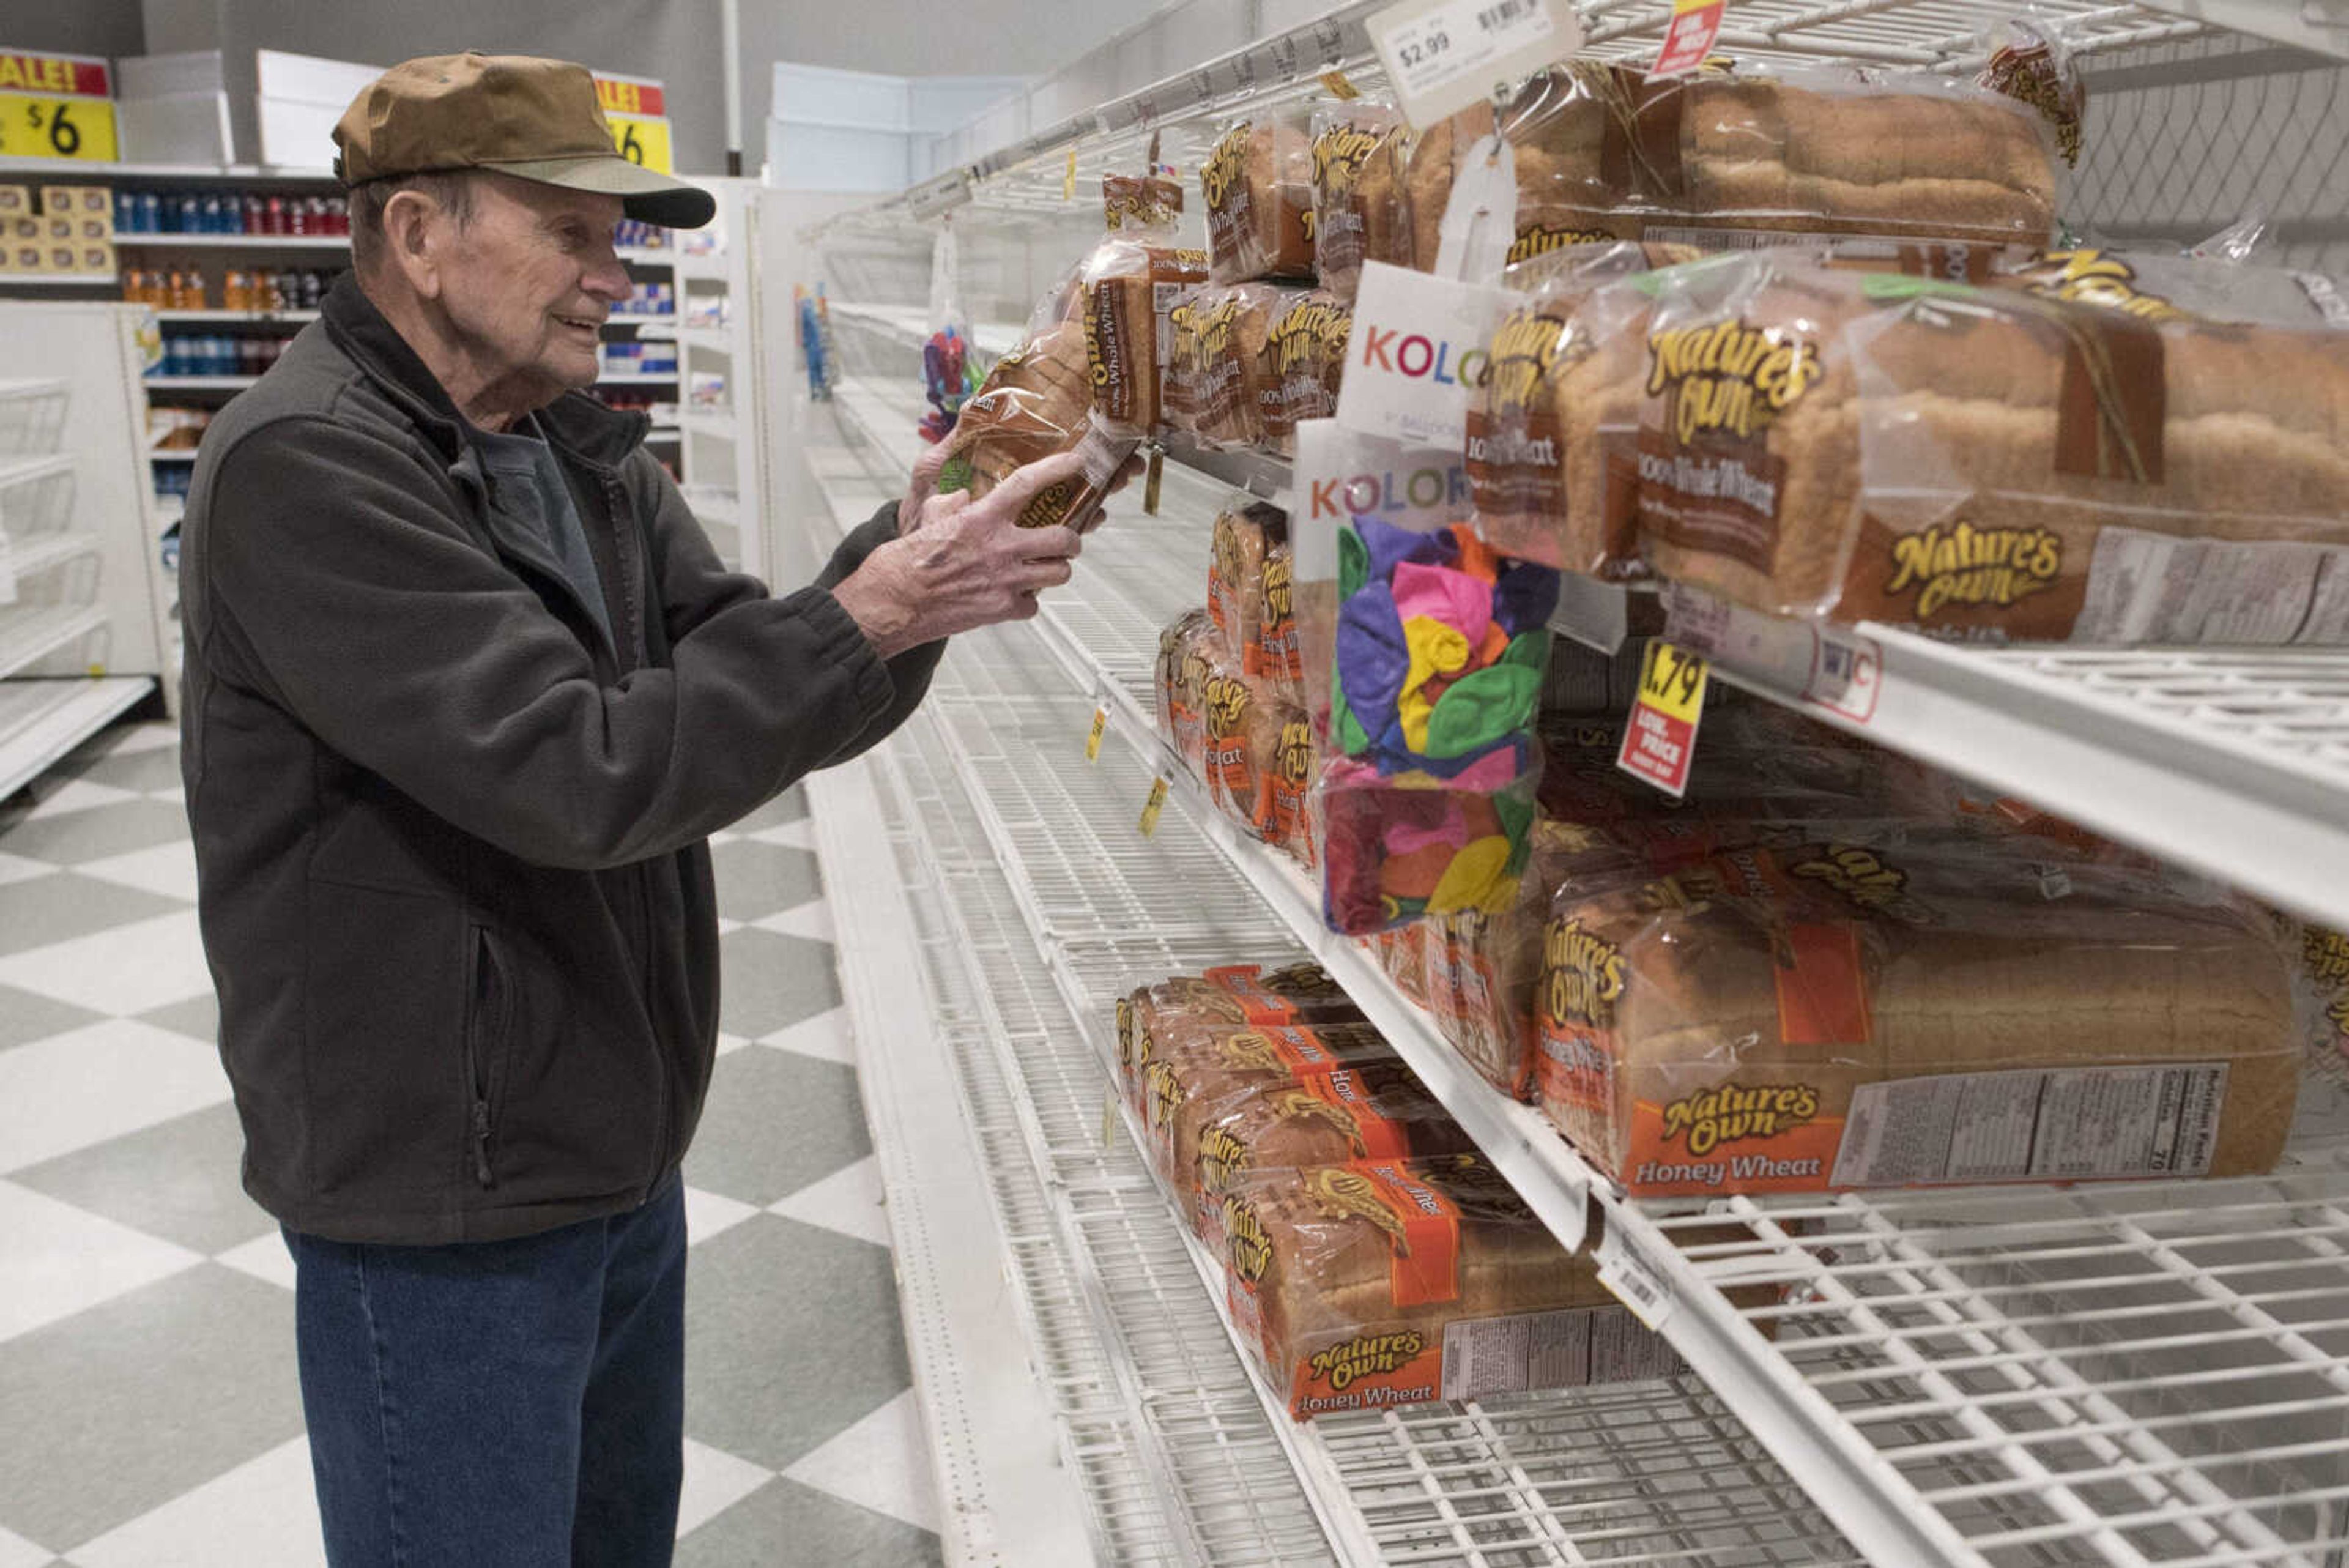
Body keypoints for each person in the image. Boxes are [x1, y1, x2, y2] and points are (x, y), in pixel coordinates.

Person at [177, 51, 1096, 1567]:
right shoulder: (310, 467)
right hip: (442, 1186)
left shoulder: (562, 445)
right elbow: (577, 768)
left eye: (621, 237)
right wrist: (870, 615)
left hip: (602, 1129)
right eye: (572, 232)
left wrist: (921, 561)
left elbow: (741, 666)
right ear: (417, 234)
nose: (619, 274)